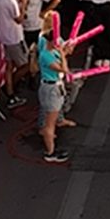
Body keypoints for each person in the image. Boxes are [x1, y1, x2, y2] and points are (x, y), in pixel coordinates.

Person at [36, 17, 75, 164]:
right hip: (50, 89)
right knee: (49, 124)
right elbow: (64, 69)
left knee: (51, 117)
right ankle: (50, 152)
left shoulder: (51, 51)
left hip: (54, 86)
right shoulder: (46, 55)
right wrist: (63, 56)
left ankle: (49, 140)